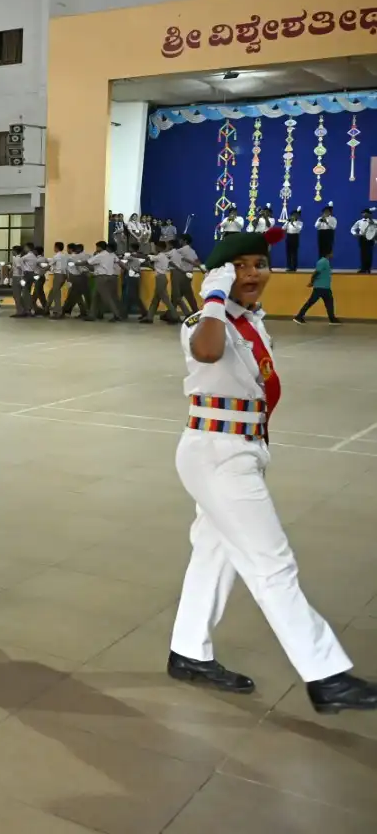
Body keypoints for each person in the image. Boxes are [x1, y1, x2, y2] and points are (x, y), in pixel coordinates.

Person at [167, 225, 376, 713]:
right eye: (239, 266)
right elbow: (207, 352)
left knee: (214, 554)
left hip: (241, 448)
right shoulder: (206, 320)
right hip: (217, 453)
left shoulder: (250, 322)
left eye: (260, 264)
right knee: (272, 564)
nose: (253, 273)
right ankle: (326, 676)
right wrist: (213, 295)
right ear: (220, 274)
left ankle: (188, 652)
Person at [292, 252, 340, 324]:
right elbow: (316, 273)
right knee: (310, 303)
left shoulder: (326, 262)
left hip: (326, 287)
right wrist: (311, 282)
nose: (333, 255)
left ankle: (332, 319)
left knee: (329, 303)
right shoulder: (322, 262)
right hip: (320, 288)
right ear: (328, 254)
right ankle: (298, 317)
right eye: (332, 253)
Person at [353, 208, 376, 274]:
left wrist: (372, 222)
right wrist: (355, 234)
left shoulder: (374, 221)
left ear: (370, 214)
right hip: (362, 238)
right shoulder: (359, 222)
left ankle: (368, 269)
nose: (364, 214)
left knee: (369, 253)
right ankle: (363, 268)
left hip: (370, 238)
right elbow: (353, 228)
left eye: (366, 213)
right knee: (363, 253)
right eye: (363, 213)